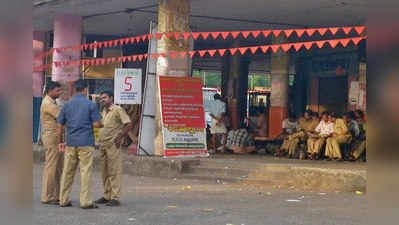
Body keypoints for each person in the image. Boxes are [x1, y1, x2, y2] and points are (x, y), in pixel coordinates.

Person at [57, 79, 103, 209]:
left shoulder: (66, 105)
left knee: (67, 171)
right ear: (84, 90)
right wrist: (101, 124)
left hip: (71, 142)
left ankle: (63, 200)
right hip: (86, 142)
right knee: (85, 171)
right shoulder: (90, 105)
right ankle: (85, 202)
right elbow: (96, 124)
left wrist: (60, 142)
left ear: (74, 90)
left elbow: (59, 126)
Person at [95, 91, 133, 207]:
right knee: (104, 171)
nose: (103, 100)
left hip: (113, 145)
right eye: (101, 98)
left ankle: (115, 197)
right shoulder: (104, 111)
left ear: (111, 98)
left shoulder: (118, 110)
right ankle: (107, 195)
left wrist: (120, 137)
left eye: (105, 98)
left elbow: (129, 124)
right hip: (103, 145)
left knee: (114, 171)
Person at [40, 81, 63, 205]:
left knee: (58, 167)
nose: (59, 93)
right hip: (52, 136)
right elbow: (62, 117)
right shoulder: (48, 103)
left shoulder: (51, 102)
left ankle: (56, 194)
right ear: (50, 90)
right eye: (57, 91)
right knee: (52, 166)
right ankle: (48, 196)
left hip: (55, 136)